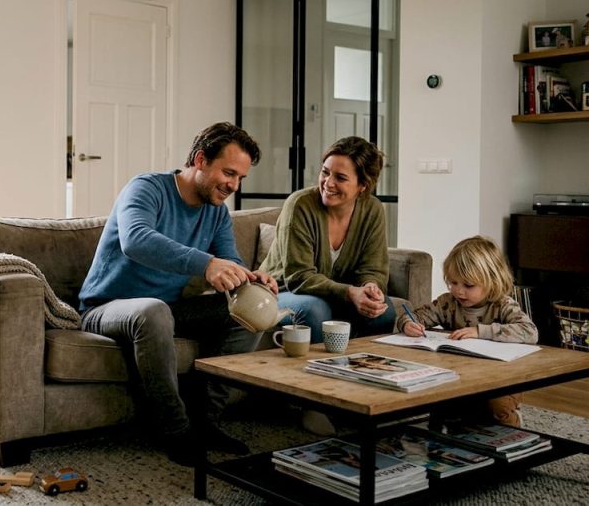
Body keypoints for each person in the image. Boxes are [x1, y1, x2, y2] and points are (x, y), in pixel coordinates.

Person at [78, 121, 277, 466]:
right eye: (228, 172)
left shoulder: (216, 213)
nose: (233, 185)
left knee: (251, 309)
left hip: (168, 309)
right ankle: (175, 429)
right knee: (154, 311)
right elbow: (136, 240)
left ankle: (207, 422)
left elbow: (228, 260)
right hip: (106, 308)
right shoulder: (146, 189)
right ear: (200, 160)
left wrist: (249, 278)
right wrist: (206, 264)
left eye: (240, 178)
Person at [260, 136, 397, 344]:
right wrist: (350, 292)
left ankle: (365, 370)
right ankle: (312, 375)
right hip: (281, 292)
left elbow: (373, 269)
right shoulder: (300, 205)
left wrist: (371, 288)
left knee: (383, 311)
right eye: (325, 172)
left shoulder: (373, 209)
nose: (328, 183)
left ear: (363, 185)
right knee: (315, 310)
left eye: (340, 178)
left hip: (332, 295)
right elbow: (299, 277)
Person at [398, 236, 537, 427]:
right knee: (443, 405)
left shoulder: (502, 304)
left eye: (468, 285)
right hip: (460, 377)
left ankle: (515, 428)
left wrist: (480, 331)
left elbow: (529, 331)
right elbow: (415, 316)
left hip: (503, 379)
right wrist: (408, 324)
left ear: (492, 280)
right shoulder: (448, 303)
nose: (459, 291)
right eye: (453, 283)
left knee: (499, 408)